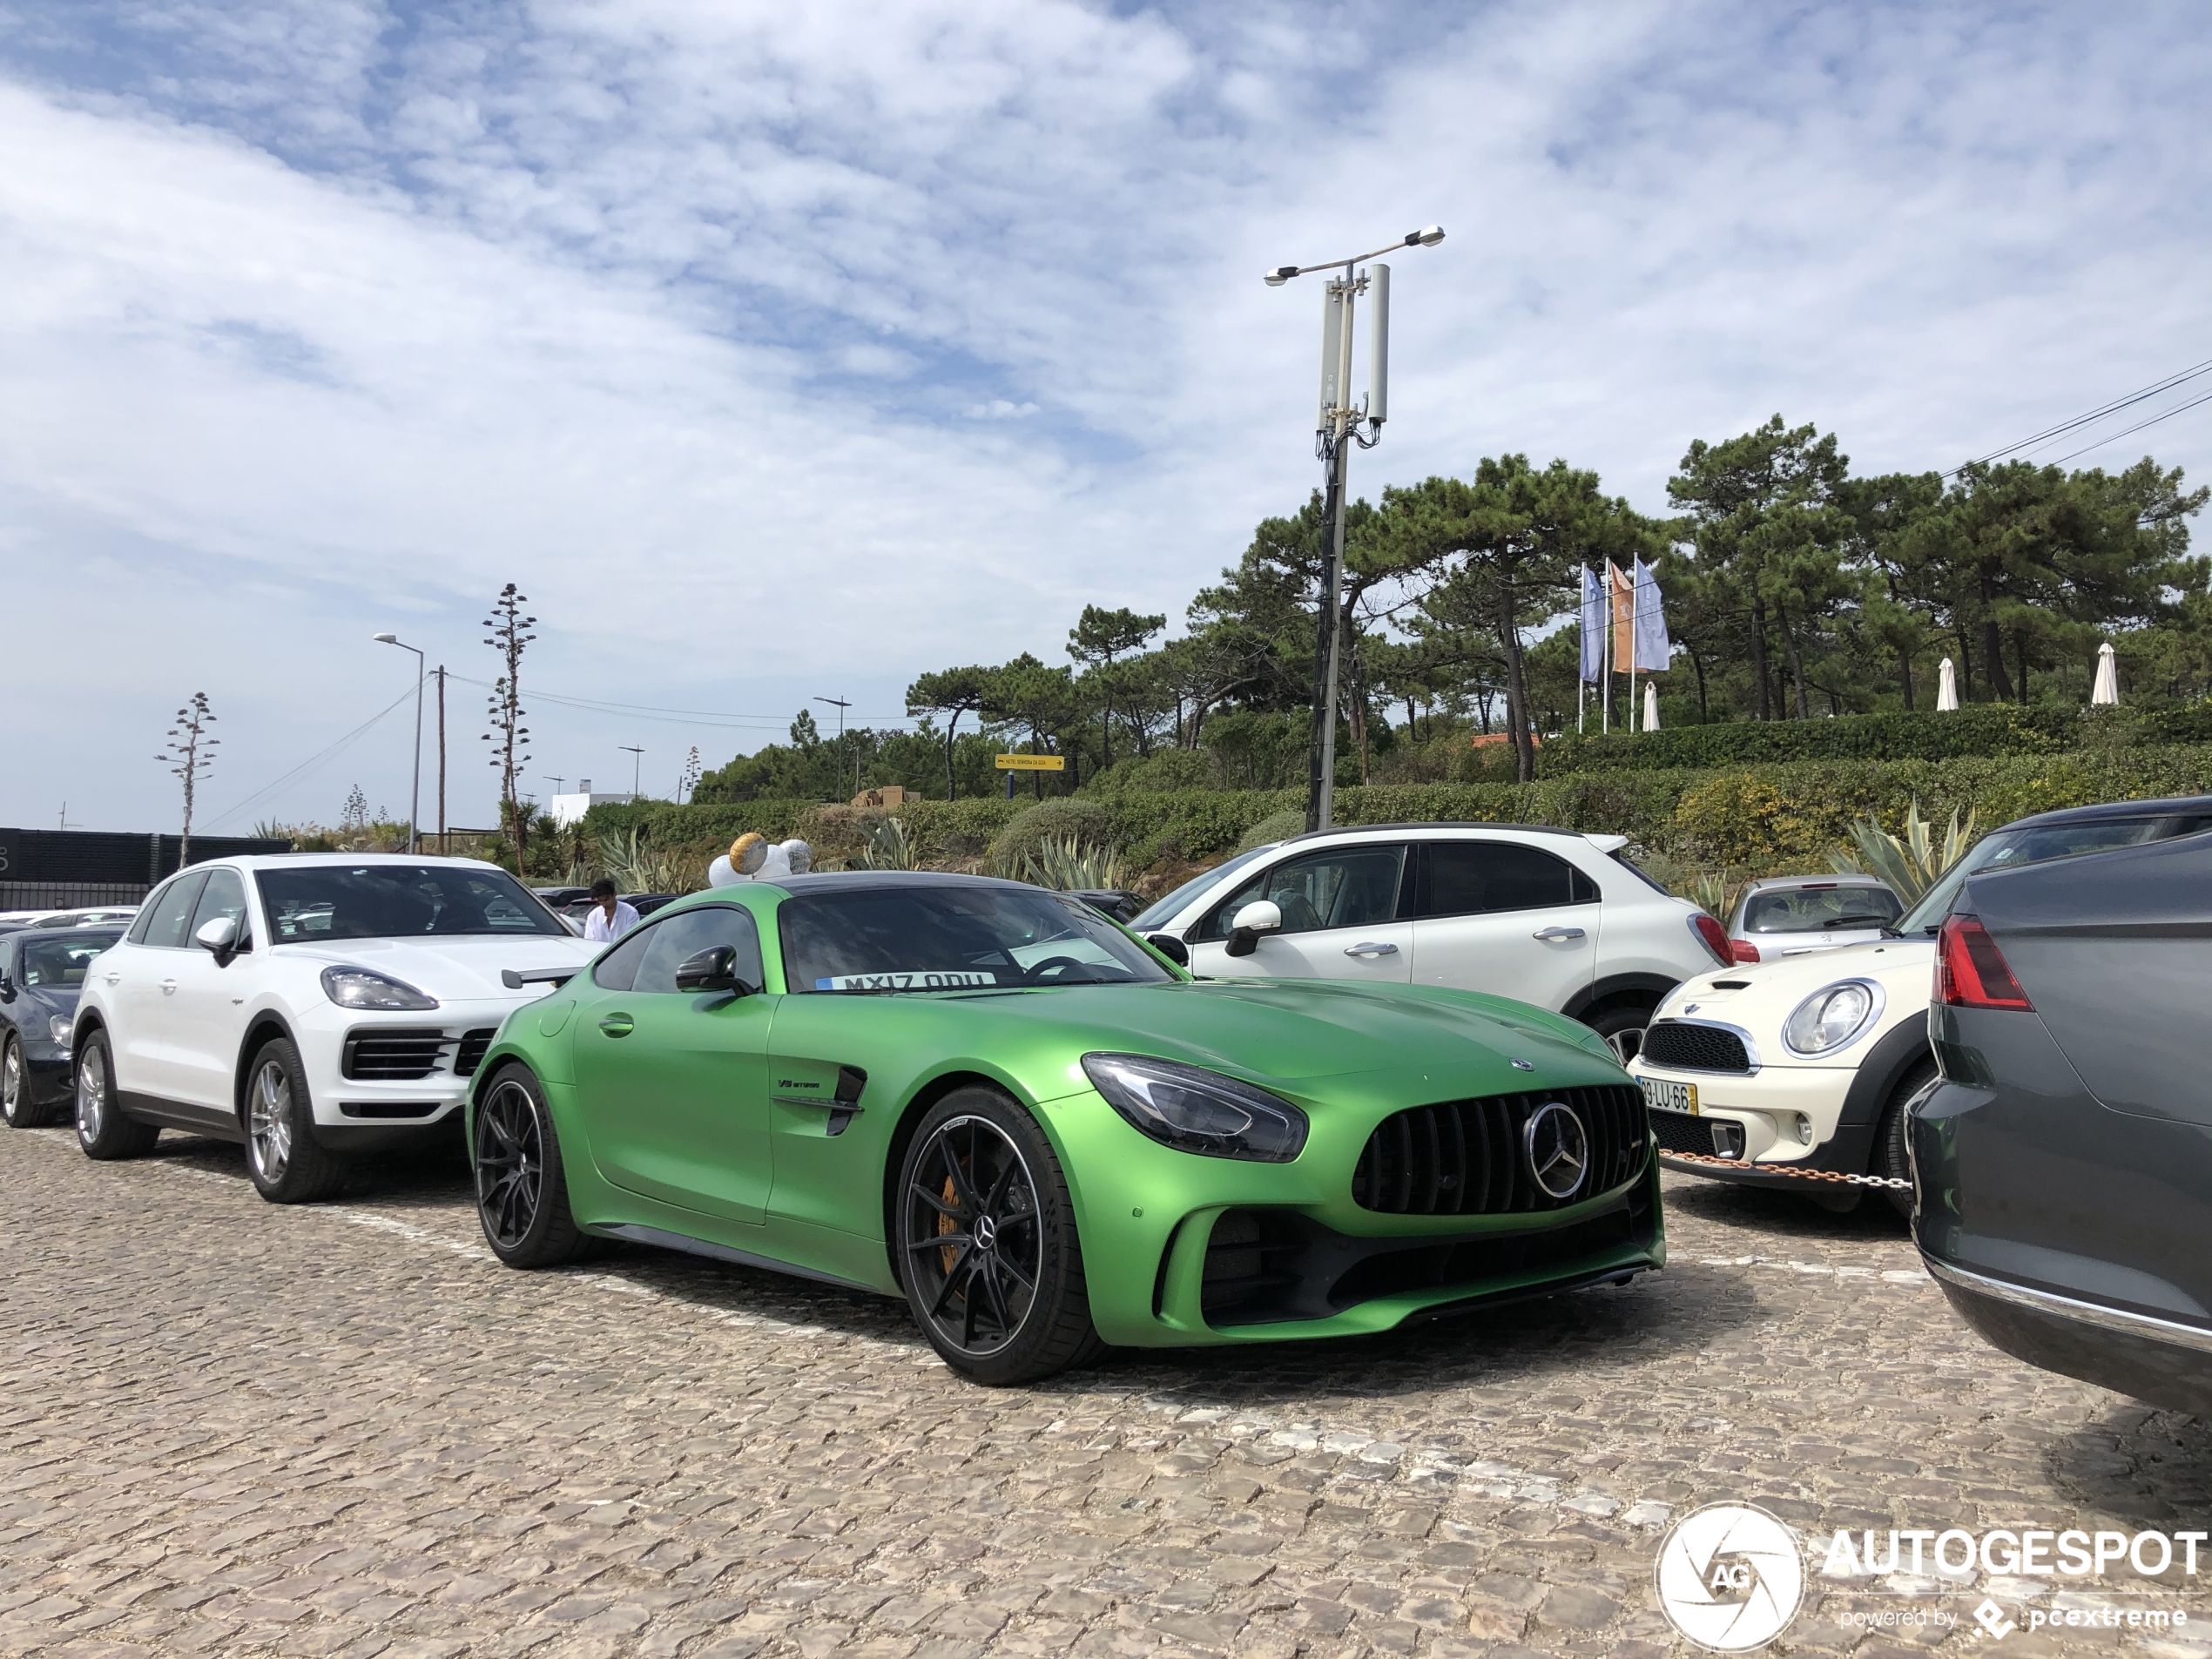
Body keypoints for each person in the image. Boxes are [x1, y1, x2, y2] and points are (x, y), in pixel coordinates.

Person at [583, 878, 639, 942]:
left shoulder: (630, 913)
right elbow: (589, 941)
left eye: (607, 900)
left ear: (615, 894)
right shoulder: (593, 916)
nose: (604, 903)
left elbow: (632, 940)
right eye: (600, 901)